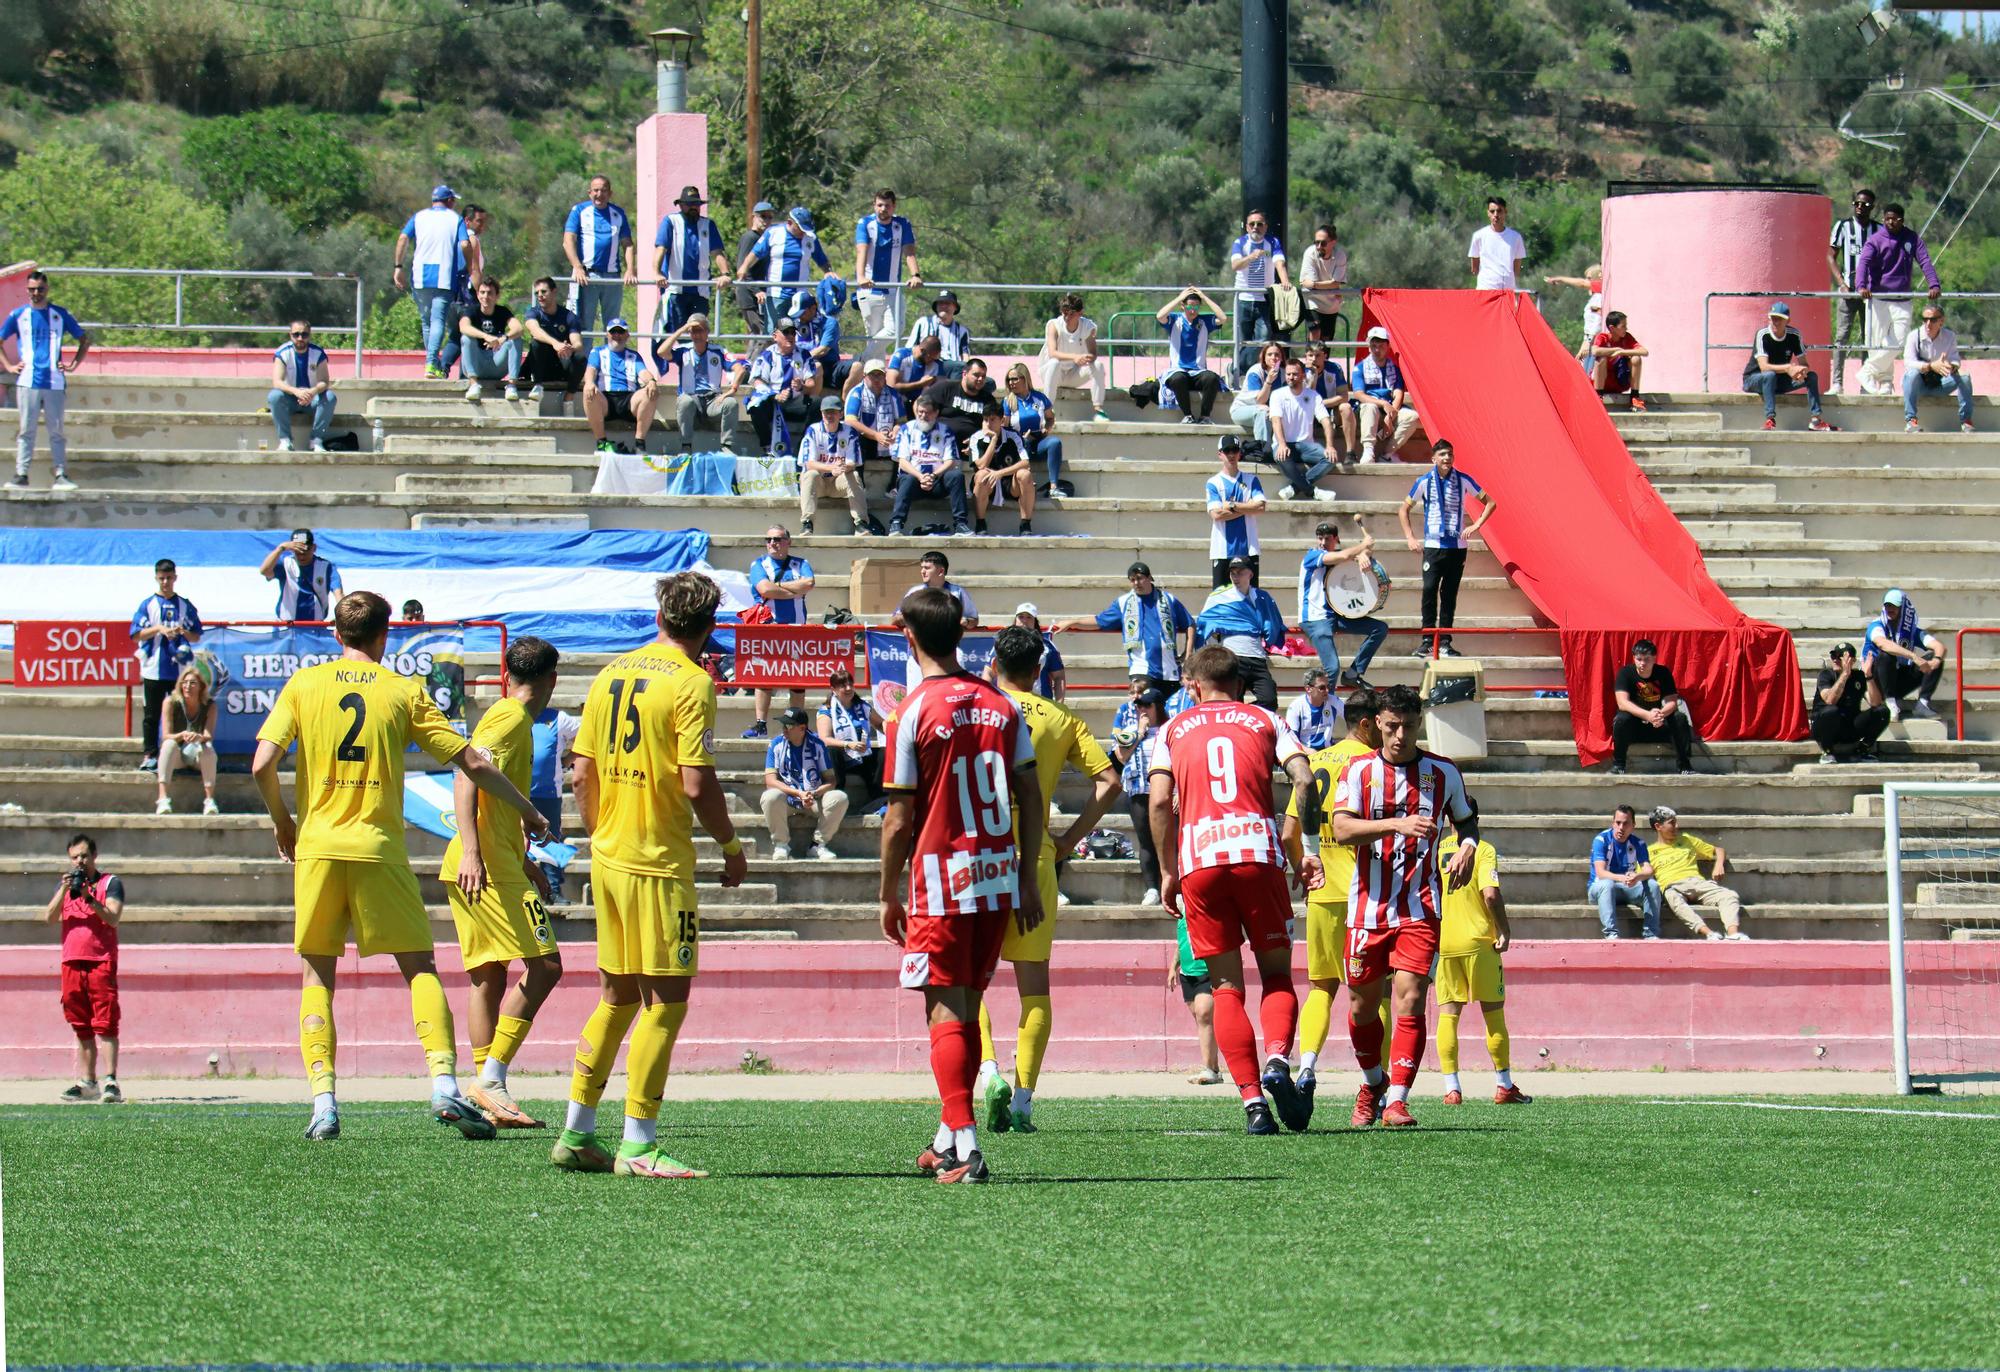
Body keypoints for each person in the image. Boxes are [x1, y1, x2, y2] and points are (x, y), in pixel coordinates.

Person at [250, 591, 551, 1142]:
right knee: (418, 968)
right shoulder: (401, 691)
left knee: (318, 975)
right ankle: (443, 1085)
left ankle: (324, 1103)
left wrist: (283, 822)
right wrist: (528, 809)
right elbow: (470, 762)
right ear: (384, 636)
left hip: (316, 848)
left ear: (335, 634)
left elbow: (262, 761)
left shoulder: (304, 685)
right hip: (378, 849)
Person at [556, 572, 745, 1178]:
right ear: (709, 627)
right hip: (659, 863)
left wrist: (600, 834)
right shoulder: (693, 683)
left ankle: (578, 1132)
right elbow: (696, 781)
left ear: (661, 615)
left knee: (615, 997)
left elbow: (580, 772)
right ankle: (638, 1143)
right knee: (666, 1001)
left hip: (609, 856)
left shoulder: (611, 672)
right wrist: (731, 843)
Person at [879, 587, 1045, 1184]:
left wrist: (886, 892)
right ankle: (948, 1137)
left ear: (910, 638)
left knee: (944, 1008)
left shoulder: (912, 710)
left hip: (940, 878)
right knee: (968, 1007)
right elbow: (1030, 793)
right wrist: (1027, 874)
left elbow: (899, 817)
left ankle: (968, 1146)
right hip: (997, 875)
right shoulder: (1004, 706)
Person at [1148, 643, 1322, 1135]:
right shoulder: (1265, 719)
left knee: (1225, 987)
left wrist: (1167, 870)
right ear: (1239, 683)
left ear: (1194, 684)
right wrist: (1300, 841)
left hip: (1200, 862)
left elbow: (1160, 800)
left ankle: (1252, 1104)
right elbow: (1305, 777)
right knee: (1277, 976)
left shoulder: (1171, 730)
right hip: (1258, 855)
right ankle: (1277, 1062)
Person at [975, 626, 1121, 1134]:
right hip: (1035, 858)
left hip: (980, 853)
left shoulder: (977, 707)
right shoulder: (1062, 718)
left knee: (968, 979)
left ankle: (989, 1071)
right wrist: (1067, 839)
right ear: (1038, 672)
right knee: (1033, 987)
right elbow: (1109, 782)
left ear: (993, 663)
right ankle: (1022, 1102)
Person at [1330, 682, 1479, 1129]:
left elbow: (1468, 822)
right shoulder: (1357, 771)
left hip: (1421, 906)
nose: (1400, 736)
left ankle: (1397, 1099)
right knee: (1360, 1006)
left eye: (1409, 727)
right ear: (1377, 723)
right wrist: (1396, 823)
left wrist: (1467, 845)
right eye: (1392, 726)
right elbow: (1341, 830)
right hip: (1365, 908)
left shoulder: (1443, 772)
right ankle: (1372, 1082)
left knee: (1410, 1000)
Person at [442, 637, 566, 1128]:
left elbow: (490, 786)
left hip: (493, 861)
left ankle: (483, 1094)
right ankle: (491, 1078)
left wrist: (524, 856)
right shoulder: (512, 719)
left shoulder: (511, 719)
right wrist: (476, 851)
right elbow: (466, 773)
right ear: (552, 680)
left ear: (506, 673)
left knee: (489, 975)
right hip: (484, 866)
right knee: (547, 966)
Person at [1280, 687, 1382, 1098]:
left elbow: (1289, 831)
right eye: (1382, 723)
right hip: (1368, 896)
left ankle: (1306, 1067)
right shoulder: (1375, 765)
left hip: (1322, 894)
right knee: (1379, 993)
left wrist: (1305, 871)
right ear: (1366, 723)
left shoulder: (1316, 761)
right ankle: (1377, 1083)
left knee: (1321, 987)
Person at [1434, 803, 1529, 1104]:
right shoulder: (1483, 849)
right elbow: (1490, 894)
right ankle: (1503, 1084)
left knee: (1448, 1015)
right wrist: (1504, 929)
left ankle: (1452, 1088)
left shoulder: (1435, 851)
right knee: (1493, 1014)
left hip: (1445, 943)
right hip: (1478, 942)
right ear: (1475, 821)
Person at [1400, 439, 1496, 658]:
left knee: (1449, 594)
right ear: (1433, 458)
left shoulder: (1463, 480)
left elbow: (1490, 502)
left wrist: (1476, 525)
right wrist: (1410, 537)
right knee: (1429, 591)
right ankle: (1426, 640)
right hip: (1433, 546)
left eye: (1450, 454)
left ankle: (1444, 640)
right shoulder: (1424, 482)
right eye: (1442, 454)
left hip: (1457, 546)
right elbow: (1403, 509)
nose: (1447, 458)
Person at [50, 833, 124, 1103]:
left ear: (94, 856)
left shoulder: (110, 883)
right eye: (74, 857)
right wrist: (63, 890)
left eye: (84, 855)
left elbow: (113, 918)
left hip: (100, 959)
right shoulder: (67, 887)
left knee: (105, 1023)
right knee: (80, 1025)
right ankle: (87, 1081)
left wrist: (89, 898)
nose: (79, 861)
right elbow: (48, 916)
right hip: (71, 960)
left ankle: (111, 1081)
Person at [1, 270, 89, 491]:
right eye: (32, 289)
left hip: (54, 381)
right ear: (26, 290)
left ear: (47, 289)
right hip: (28, 380)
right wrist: (10, 366)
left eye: (40, 289)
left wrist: (73, 364)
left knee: (56, 430)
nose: (36, 293)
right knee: (26, 430)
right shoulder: (18, 315)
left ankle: (61, 474)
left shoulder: (59, 314)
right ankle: (21, 474)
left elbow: (84, 339)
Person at [1055, 560, 1193, 695]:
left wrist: (1187, 655)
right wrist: (1073, 622)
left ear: (1150, 578)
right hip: (1142, 669)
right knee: (1147, 709)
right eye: (1132, 580)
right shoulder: (1124, 602)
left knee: (1171, 715)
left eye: (1139, 578)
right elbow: (1099, 621)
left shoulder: (1169, 600)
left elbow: (1190, 624)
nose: (1136, 583)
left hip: (1171, 670)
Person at [1856, 202, 1941, 397]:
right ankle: (1885, 382)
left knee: (1899, 342)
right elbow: (1864, 263)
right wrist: (1861, 285)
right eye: (1887, 218)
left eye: (1894, 219)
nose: (1890, 222)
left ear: (1901, 220)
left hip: (1902, 299)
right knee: (1876, 342)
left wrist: (1933, 284)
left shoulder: (1912, 238)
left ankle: (1867, 371)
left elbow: (1925, 261)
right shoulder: (1875, 240)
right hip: (1878, 298)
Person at [131, 558, 203, 776]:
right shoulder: (148, 605)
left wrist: (182, 632)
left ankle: (179, 754)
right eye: (161, 578)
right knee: (151, 714)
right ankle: (150, 755)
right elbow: (136, 634)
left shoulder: (184, 605)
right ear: (156, 578)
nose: (165, 582)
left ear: (175, 578)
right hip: (153, 668)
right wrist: (159, 629)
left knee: (179, 711)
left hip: (178, 672)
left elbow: (196, 635)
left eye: (169, 578)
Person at [743, 525, 815, 739]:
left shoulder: (801, 563)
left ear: (788, 541)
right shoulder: (759, 564)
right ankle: (760, 723)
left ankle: (795, 723)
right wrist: (794, 589)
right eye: (768, 539)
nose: (772, 543)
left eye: (777, 539)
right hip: (768, 628)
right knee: (764, 677)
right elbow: (765, 590)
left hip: (796, 629)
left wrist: (779, 586)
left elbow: (809, 584)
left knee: (797, 680)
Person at [1298, 519, 1389, 689]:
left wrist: (1363, 555)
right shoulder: (1313, 556)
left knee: (1379, 628)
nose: (1323, 542)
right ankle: (1326, 708)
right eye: (1320, 538)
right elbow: (1343, 555)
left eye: (1327, 538)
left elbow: (1351, 555)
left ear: (1336, 539)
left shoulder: (1335, 556)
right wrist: (1363, 546)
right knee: (1332, 668)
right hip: (1315, 619)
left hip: (1334, 616)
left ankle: (1353, 674)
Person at [394, 186, 474, 377]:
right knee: (438, 320)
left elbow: (403, 238)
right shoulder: (455, 219)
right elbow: (465, 244)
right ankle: (431, 363)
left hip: (420, 275)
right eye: (453, 200)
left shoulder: (419, 216)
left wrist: (398, 266)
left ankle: (433, 363)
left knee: (426, 321)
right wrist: (470, 266)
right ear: (448, 201)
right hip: (444, 276)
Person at [1195, 556, 1285, 711]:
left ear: (1250, 574)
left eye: (1240, 572)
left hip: (1257, 657)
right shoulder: (1219, 597)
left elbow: (1273, 623)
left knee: (1269, 700)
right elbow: (1204, 624)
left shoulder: (1263, 597)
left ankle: (1246, 712)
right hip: (1233, 658)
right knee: (1233, 702)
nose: (1235, 577)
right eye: (1233, 573)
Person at [1648, 805, 1747, 942]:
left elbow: (1718, 850)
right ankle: (1708, 933)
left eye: (1676, 822)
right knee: (1673, 899)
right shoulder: (1649, 851)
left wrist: (1718, 865)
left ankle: (1733, 934)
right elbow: (1642, 873)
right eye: (1672, 823)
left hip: (1696, 882)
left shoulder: (1687, 840)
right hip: (1672, 887)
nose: (1677, 826)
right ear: (1658, 826)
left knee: (1729, 895)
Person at [761, 706, 848, 860]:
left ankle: (817, 845)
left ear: (802, 728)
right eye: (783, 725)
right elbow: (770, 781)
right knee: (770, 796)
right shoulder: (776, 744)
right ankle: (781, 845)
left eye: (788, 726)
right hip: (788, 800)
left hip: (813, 799)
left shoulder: (818, 745)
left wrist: (814, 794)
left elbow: (831, 780)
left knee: (839, 797)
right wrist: (798, 794)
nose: (784, 729)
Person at [658, 312, 746, 454]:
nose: (696, 335)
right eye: (693, 331)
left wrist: (732, 390)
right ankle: (686, 446)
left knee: (731, 403)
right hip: (692, 399)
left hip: (713, 400)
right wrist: (682, 329)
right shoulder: (683, 350)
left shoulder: (718, 350)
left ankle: (727, 447)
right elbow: (661, 352)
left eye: (700, 330)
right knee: (685, 401)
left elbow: (740, 369)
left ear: (707, 332)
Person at [563, 175, 637, 340]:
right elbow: (568, 241)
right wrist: (577, 267)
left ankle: (609, 362)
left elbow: (628, 244)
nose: (599, 194)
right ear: (590, 193)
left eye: (604, 190)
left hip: (612, 276)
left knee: (613, 325)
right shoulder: (580, 211)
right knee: (584, 325)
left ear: (610, 194)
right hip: (588, 276)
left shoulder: (618, 214)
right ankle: (585, 364)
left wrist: (630, 270)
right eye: (596, 190)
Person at [1743, 301, 1836, 432]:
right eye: (1773, 318)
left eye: (1779, 319)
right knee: (1769, 375)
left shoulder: (1794, 335)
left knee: (1811, 377)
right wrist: (1788, 368)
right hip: (1753, 379)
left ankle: (1816, 420)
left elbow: (1804, 364)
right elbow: (1763, 367)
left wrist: (1801, 371)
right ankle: (1770, 419)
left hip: (1778, 381)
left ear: (1788, 320)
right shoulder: (1762, 335)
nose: (1775, 322)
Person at [653, 184, 733, 335]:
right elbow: (660, 248)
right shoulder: (671, 222)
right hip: (676, 290)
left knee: (698, 333)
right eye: (689, 204)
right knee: (678, 334)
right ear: (681, 205)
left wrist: (725, 274)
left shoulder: (708, 225)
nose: (693, 208)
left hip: (700, 291)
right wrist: (657, 273)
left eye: (696, 204)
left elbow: (717, 252)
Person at [1116, 687, 1169, 906]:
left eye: (1147, 705)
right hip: (1139, 791)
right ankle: (1152, 889)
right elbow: (1121, 756)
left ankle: (1172, 885)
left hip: (1166, 792)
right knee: (1146, 841)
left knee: (1168, 841)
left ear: (1158, 707)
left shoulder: (1170, 728)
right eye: (1139, 706)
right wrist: (1140, 731)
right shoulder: (1131, 729)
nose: (1142, 709)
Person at [739, 206, 831, 333]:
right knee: (775, 333)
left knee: (801, 334)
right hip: (777, 294)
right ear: (790, 222)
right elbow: (756, 253)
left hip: (800, 296)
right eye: (800, 228)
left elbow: (821, 259)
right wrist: (744, 267)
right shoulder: (773, 233)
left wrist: (828, 272)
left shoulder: (810, 238)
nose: (802, 232)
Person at [853, 189, 922, 361]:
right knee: (875, 338)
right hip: (870, 291)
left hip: (893, 290)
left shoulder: (902, 224)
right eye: (880, 205)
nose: (883, 209)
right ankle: (874, 378)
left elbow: (909, 252)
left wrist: (916, 275)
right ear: (874, 205)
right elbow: (861, 251)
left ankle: (860, 361)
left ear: (894, 206)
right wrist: (860, 277)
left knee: (895, 330)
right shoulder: (865, 223)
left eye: (887, 206)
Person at [887, 397, 970, 537]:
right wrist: (920, 477)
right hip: (914, 482)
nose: (923, 416)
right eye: (920, 412)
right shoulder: (906, 429)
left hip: (937, 481)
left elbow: (950, 461)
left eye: (927, 412)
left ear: (936, 413)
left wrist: (933, 476)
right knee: (906, 479)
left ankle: (961, 524)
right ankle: (896, 524)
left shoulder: (946, 431)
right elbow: (902, 461)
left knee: (956, 476)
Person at [1612, 638, 1694, 774]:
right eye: (1639, 659)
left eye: (1647, 659)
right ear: (1634, 658)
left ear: (1654, 658)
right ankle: (1619, 764)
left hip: (1659, 723)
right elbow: (1622, 703)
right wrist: (1647, 715)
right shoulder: (1625, 673)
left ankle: (1684, 765)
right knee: (1621, 719)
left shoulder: (1663, 673)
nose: (1643, 663)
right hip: (1635, 724)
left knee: (1679, 718)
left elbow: (1672, 702)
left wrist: (1660, 714)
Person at [1864, 588, 1946, 723]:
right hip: (1874, 681)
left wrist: (1936, 660)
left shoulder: (1911, 630)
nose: (1890, 609)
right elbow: (1883, 644)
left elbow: (1939, 647)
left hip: (1898, 679)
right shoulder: (1877, 625)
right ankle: (1890, 704)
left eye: (1894, 606)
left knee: (1935, 657)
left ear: (1903, 609)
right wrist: (1914, 657)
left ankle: (1923, 704)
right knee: (1886, 655)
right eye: (1887, 605)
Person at [528, 704, 581, 903]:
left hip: (548, 792)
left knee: (551, 841)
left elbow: (588, 734)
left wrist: (569, 758)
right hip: (517, 790)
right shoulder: (514, 713)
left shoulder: (559, 718)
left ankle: (553, 892)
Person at [797, 395, 872, 536]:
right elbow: (809, 463)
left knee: (854, 475)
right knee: (810, 474)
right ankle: (807, 523)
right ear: (821, 413)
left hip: (838, 482)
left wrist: (843, 467)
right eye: (826, 412)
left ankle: (861, 523)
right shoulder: (813, 431)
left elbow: (853, 463)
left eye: (833, 412)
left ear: (841, 413)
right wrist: (832, 468)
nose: (829, 416)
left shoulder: (850, 432)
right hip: (818, 482)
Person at [583, 319, 660, 455]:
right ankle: (602, 443)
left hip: (629, 399)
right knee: (588, 391)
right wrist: (589, 382)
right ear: (607, 334)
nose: (617, 335)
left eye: (620, 332)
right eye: (613, 331)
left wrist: (652, 381)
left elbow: (643, 372)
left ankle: (639, 444)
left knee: (650, 392)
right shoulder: (597, 352)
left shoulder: (634, 356)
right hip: (606, 399)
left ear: (627, 335)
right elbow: (591, 370)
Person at [1228, 209, 1290, 377]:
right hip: (1243, 299)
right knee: (1242, 340)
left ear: (1265, 226)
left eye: (1259, 224)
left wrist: (1284, 281)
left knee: (1263, 340)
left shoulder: (1273, 242)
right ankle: (1238, 371)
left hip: (1264, 299)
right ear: (1247, 227)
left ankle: (1250, 371)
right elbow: (1235, 265)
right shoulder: (1240, 243)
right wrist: (1251, 257)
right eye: (1252, 224)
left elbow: (1279, 263)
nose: (1256, 227)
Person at [1268, 357, 1338, 501]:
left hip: (1306, 445)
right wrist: (1282, 444)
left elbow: (1326, 421)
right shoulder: (1277, 395)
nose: (1291, 377)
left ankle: (1294, 488)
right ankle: (1313, 492)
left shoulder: (1313, 396)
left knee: (1330, 458)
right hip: (1284, 444)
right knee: (1282, 455)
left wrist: (1330, 446)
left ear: (1303, 376)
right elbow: (1276, 421)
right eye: (1288, 374)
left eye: (1295, 374)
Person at [1828, 189, 1877, 394]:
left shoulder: (1878, 230)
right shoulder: (1843, 226)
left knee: (1869, 339)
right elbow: (1831, 255)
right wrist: (1841, 282)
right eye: (1857, 203)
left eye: (1865, 204)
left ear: (1872, 208)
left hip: (1870, 295)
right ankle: (1837, 382)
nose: (1860, 207)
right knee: (1842, 336)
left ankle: (1865, 383)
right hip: (1848, 292)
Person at [1588, 804, 1662, 940]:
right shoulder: (1601, 840)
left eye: (1626, 824)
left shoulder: (1638, 843)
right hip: (1600, 889)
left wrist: (1637, 876)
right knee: (1607, 884)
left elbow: (1648, 869)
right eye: (1618, 823)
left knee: (1652, 885)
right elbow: (1600, 872)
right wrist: (1622, 878)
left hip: (1626, 887)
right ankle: (1611, 934)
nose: (1621, 828)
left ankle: (1651, 934)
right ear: (1613, 823)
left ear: (1633, 825)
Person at [1155, 287, 1227, 423]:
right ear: (1183, 306)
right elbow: (1160, 316)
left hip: (1198, 371)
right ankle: (1187, 415)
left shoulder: (1204, 321)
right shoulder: (1174, 320)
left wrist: (1204, 297)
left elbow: (1223, 318)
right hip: (1178, 370)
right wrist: (1179, 298)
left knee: (1211, 378)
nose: (1193, 310)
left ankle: (1205, 416)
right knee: (1178, 379)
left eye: (1196, 306)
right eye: (1189, 306)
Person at [1812, 641, 1890, 764]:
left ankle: (1862, 750)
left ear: (1852, 661)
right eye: (1833, 656)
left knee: (1882, 711)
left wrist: (1868, 675)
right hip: (1825, 727)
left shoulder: (1858, 676)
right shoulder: (1826, 674)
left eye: (1840, 657)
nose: (1835, 660)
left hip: (1850, 725)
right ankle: (1827, 751)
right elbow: (1830, 700)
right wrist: (1845, 674)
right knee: (1831, 711)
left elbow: (1875, 703)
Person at [154, 664, 218, 816]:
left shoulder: (210, 705)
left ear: (201, 687)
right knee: (168, 744)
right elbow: (166, 735)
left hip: (196, 755)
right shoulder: (170, 702)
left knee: (208, 749)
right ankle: (162, 798)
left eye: (192, 683)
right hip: (177, 756)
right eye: (185, 682)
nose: (188, 686)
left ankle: (209, 801)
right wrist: (182, 735)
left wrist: (199, 737)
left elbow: (209, 734)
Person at [747, 320, 817, 457]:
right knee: (755, 405)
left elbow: (811, 384)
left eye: (792, 333)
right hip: (772, 401)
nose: (790, 336)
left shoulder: (804, 355)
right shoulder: (767, 355)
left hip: (793, 403)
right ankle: (767, 447)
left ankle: (803, 446)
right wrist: (774, 395)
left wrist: (802, 387)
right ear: (775, 336)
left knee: (817, 403)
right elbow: (757, 381)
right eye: (786, 332)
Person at [1903, 303, 1976, 434]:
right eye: (1925, 319)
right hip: (1919, 385)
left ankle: (1966, 422)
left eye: (1933, 320)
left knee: (1965, 377)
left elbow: (1955, 359)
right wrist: (1930, 366)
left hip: (1940, 383)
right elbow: (1908, 362)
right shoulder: (1914, 336)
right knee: (1911, 375)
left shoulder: (1950, 336)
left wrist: (1951, 366)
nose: (1928, 324)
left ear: (1941, 321)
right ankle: (1911, 421)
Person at [1351, 327, 1421, 463]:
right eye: (1373, 346)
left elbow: (1398, 392)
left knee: (1412, 416)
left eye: (1381, 346)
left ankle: (1387, 454)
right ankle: (1368, 450)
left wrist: (1391, 415)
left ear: (1388, 346)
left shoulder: (1394, 368)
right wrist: (1383, 404)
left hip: (1389, 408)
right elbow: (1359, 394)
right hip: (1369, 409)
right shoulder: (1360, 367)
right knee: (1369, 407)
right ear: (1369, 347)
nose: (1377, 350)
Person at [1206, 435, 1267, 588]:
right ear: (1220, 454)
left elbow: (1260, 507)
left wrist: (1232, 505)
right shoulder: (1213, 482)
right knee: (1221, 601)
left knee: (1250, 598)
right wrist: (1248, 507)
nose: (1231, 455)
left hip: (1249, 549)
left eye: (1235, 450)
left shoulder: (1251, 479)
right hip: (1222, 550)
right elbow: (1217, 514)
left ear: (1240, 453)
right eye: (1227, 451)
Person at [1039, 293, 1109, 422]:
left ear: (1080, 313)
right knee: (1054, 363)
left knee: (1098, 365)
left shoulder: (1088, 326)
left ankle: (1099, 410)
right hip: (1052, 373)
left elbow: (1093, 354)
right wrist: (1075, 357)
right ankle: (1046, 411)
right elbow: (1052, 353)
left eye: (1071, 314)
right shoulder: (1054, 325)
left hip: (1072, 374)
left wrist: (1086, 358)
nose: (1067, 317)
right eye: (1064, 313)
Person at [818, 668, 884, 805]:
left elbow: (880, 724)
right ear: (833, 689)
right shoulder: (826, 710)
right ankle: (836, 798)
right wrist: (848, 744)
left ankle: (879, 798)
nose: (848, 688)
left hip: (861, 753)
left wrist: (896, 729)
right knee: (831, 750)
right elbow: (824, 739)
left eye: (850, 684)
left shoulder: (862, 706)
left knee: (884, 753)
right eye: (843, 685)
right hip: (840, 757)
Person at [268, 320, 337, 450]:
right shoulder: (282, 352)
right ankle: (285, 440)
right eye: (296, 334)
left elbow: (324, 381)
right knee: (274, 396)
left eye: (304, 334)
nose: (300, 338)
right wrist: (296, 391)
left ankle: (316, 441)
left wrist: (312, 392)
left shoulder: (318, 353)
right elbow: (277, 382)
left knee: (330, 397)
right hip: (290, 397)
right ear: (290, 335)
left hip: (311, 399)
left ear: (309, 335)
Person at [1170, 915, 1223, 1085]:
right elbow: (1182, 942)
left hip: (1207, 970)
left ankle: (1208, 1069)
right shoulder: (1180, 913)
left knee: (1204, 1014)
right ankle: (1214, 1070)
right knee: (1204, 1022)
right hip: (1187, 973)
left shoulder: (1204, 908)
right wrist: (1173, 967)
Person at [968, 402, 1035, 535]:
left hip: (1009, 484)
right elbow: (981, 465)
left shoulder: (1013, 436)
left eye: (992, 419)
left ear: (1002, 420)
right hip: (987, 485)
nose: (988, 424)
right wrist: (993, 440)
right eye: (985, 420)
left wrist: (1000, 473)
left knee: (1025, 475)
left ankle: (1025, 524)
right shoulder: (976, 438)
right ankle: (981, 523)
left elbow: (1025, 462)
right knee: (981, 475)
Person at [1001, 363, 1067, 499]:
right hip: (1017, 445)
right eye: (1009, 380)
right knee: (1023, 441)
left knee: (1054, 443)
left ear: (1025, 378)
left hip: (1037, 442)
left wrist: (1046, 429)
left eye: (1015, 379)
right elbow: (1004, 427)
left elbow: (1050, 418)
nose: (1011, 383)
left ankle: (1053, 487)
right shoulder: (1008, 401)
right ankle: (1027, 483)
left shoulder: (1039, 397)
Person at [456, 278, 523, 403]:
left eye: (489, 293)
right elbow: (463, 326)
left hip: (496, 363)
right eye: (482, 292)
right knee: (466, 338)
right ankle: (474, 384)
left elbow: (518, 328)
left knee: (515, 340)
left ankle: (512, 385)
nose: (485, 296)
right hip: (477, 363)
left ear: (497, 296)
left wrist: (502, 339)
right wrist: (486, 336)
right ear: (477, 294)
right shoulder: (471, 311)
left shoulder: (503, 311)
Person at [522, 277, 588, 401]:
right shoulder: (533, 313)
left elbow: (578, 343)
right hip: (541, 365)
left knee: (580, 357)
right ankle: (538, 386)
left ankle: (569, 396)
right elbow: (534, 331)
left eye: (543, 291)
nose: (540, 295)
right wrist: (555, 343)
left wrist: (570, 348)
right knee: (537, 343)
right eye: (537, 293)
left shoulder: (569, 316)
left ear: (554, 291)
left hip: (561, 364)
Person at [260, 528, 342, 622]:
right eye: (297, 551)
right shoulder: (285, 564)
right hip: (286, 624)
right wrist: (280, 548)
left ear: (314, 548)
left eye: (305, 550)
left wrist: (341, 616)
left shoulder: (326, 567)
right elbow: (264, 571)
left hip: (315, 625)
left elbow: (338, 594)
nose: (302, 556)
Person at [844, 358, 906, 476]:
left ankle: (894, 485)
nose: (877, 379)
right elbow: (850, 421)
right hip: (866, 437)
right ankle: (859, 482)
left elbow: (902, 420)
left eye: (880, 375)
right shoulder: (856, 393)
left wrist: (896, 429)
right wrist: (875, 435)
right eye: (872, 375)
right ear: (864, 376)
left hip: (886, 437)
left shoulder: (893, 394)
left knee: (903, 438)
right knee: (855, 439)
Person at [920, 357, 998, 447]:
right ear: (964, 374)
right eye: (976, 375)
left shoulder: (988, 399)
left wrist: (979, 441)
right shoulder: (946, 388)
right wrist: (924, 428)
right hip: (941, 445)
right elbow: (920, 403)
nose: (980, 379)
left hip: (973, 450)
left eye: (983, 376)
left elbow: (993, 426)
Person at [894, 549, 978, 626]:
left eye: (927, 568)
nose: (922, 571)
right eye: (922, 568)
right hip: (922, 640)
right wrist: (910, 618)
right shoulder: (915, 592)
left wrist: (966, 622)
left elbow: (974, 620)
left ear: (941, 571)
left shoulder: (958, 592)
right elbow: (895, 619)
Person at [1544, 263, 1604, 363]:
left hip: (1593, 341)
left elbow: (1596, 324)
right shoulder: (1595, 298)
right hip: (1589, 340)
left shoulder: (1599, 295)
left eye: (1589, 278)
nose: (1587, 281)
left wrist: (1561, 279)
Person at [1229, 340, 1288, 443]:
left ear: (1282, 357)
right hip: (1243, 409)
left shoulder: (1284, 373)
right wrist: (1268, 381)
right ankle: (1262, 448)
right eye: (1269, 354)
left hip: (1268, 411)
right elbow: (1260, 401)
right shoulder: (1255, 371)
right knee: (1263, 411)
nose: (1273, 358)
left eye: (1277, 355)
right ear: (1264, 357)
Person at [1298, 223, 1349, 340]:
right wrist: (1331, 286)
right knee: (1315, 332)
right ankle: (1311, 357)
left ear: (1333, 242)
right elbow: (1309, 284)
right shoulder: (1310, 253)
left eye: (1323, 243)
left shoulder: (1340, 255)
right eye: (1316, 242)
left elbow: (1333, 283)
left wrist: (1315, 285)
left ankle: (1322, 358)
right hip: (1312, 301)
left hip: (1331, 305)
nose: (1319, 246)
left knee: (1326, 341)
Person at [1590, 310, 1648, 410]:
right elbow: (1595, 351)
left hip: (1620, 381)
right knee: (1601, 359)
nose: (1626, 328)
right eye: (1623, 326)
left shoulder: (1627, 338)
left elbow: (1644, 351)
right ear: (1612, 328)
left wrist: (1622, 352)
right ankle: (1598, 395)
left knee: (1636, 359)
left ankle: (1635, 397)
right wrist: (1616, 350)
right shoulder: (1603, 337)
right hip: (1603, 382)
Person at [1468, 194, 1526, 292]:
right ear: (1488, 213)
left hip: (1507, 291)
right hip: (1485, 290)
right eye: (1492, 211)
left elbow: (1517, 268)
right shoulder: (1479, 236)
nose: (1496, 214)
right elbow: (1474, 268)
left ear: (1505, 212)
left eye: (1499, 211)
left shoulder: (1515, 237)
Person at [906, 290, 972, 377]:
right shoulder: (923, 323)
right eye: (940, 303)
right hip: (928, 363)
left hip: (954, 367)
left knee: (989, 383)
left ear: (955, 307)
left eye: (947, 303)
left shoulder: (962, 331)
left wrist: (967, 372)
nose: (943, 306)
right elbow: (910, 347)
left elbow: (965, 355)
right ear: (936, 307)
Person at [733, 200, 776, 331]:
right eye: (763, 216)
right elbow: (743, 269)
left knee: (760, 335)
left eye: (769, 217)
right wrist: (757, 291)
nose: (766, 220)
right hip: (749, 295)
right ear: (753, 217)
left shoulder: (763, 239)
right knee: (762, 335)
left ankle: (753, 353)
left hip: (759, 295)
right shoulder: (750, 238)